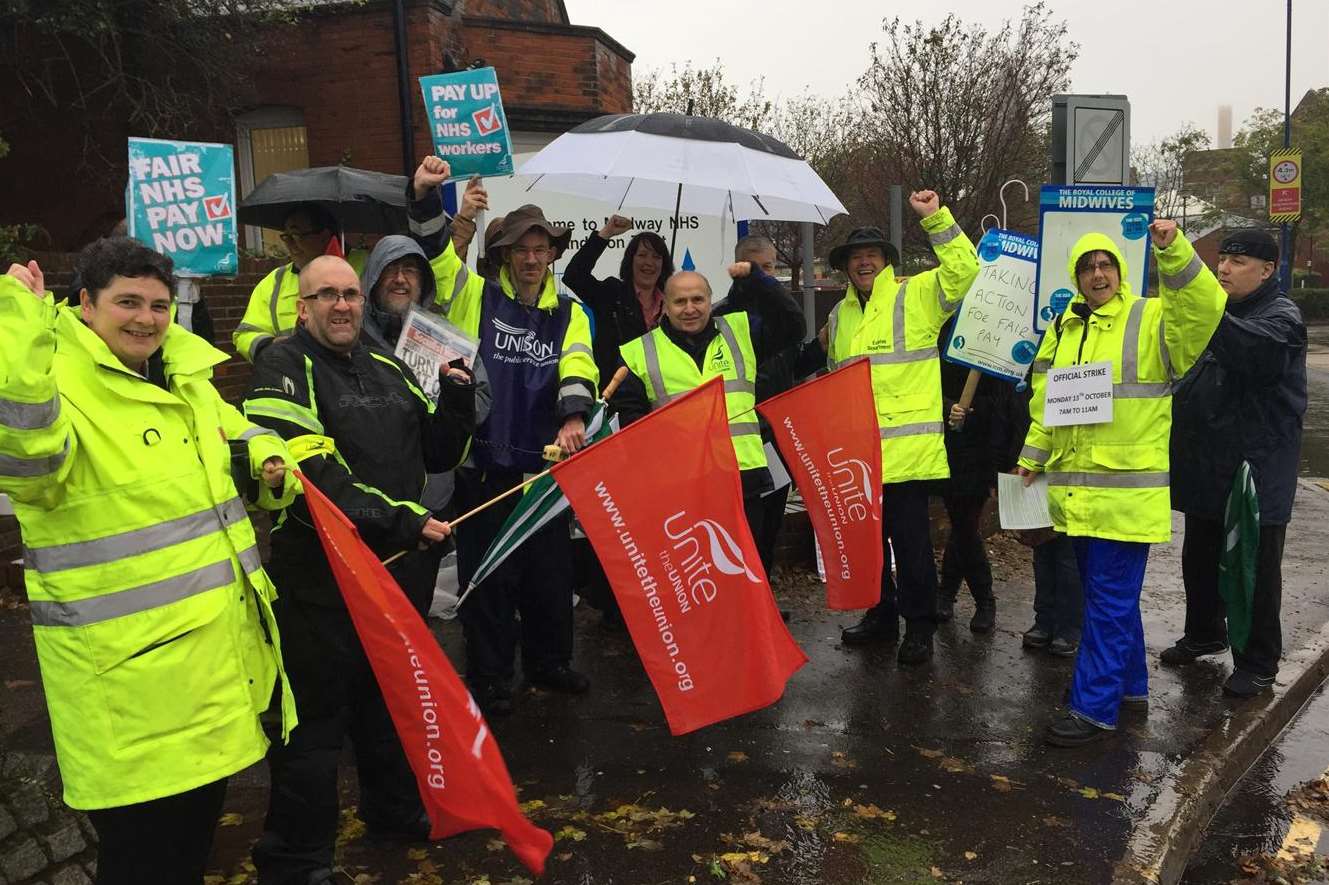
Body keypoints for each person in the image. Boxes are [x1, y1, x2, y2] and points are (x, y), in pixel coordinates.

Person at [0, 239, 298, 885]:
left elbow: (242, 436)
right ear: (84, 304)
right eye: (126, 302)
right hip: (125, 693)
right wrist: (17, 326)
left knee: (188, 855)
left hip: (207, 678)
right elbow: (25, 467)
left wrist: (273, 464)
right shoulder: (53, 383)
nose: (145, 318)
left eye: (158, 304)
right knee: (140, 864)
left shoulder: (182, 376)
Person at [241, 255, 476, 884]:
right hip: (322, 579)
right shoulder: (281, 364)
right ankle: (295, 860)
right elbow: (314, 475)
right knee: (314, 729)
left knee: (387, 704)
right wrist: (404, 519)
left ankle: (393, 810)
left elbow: (438, 449)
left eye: (349, 294)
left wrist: (455, 397)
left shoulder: (386, 361)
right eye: (326, 296)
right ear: (301, 306)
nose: (342, 306)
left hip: (395, 573)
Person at [1016, 219, 1225, 746]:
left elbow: (1203, 308)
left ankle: (1093, 709)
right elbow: (1046, 405)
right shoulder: (1063, 328)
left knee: (1107, 604)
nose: (1097, 273)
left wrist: (1174, 251)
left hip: (1126, 498)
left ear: (1120, 270)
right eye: (1087, 266)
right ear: (1076, 276)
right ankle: (1130, 686)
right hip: (1077, 496)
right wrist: (1031, 458)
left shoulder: (1152, 318)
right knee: (1107, 600)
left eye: (1106, 263)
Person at [424, 202, 600, 716]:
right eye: (522, 248)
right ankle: (490, 675)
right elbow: (440, 270)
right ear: (505, 253)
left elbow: (577, 361)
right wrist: (451, 219)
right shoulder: (477, 296)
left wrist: (574, 416)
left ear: (552, 254)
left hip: (544, 469)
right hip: (484, 463)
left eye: (540, 249)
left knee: (550, 576)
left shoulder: (569, 308)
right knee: (490, 577)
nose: (531, 258)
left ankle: (550, 662)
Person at [830, 191, 980, 665]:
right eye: (856, 258)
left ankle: (919, 626)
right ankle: (881, 615)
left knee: (912, 548)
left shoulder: (915, 295)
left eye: (871, 255)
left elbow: (965, 272)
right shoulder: (839, 316)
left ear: (886, 262)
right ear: (847, 268)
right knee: (869, 545)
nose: (864, 263)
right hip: (859, 456)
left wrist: (935, 218)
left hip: (907, 457)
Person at [1161, 228, 1307, 698]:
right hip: (1209, 463)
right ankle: (1205, 633)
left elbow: (1251, 354)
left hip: (1256, 469)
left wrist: (1201, 309)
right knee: (1199, 557)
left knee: (1251, 568)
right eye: (1222, 259)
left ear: (1267, 271)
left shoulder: (1281, 317)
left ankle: (1259, 660)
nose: (1223, 268)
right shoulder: (1223, 310)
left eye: (1238, 262)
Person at [612, 265, 803, 573]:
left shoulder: (741, 332)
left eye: (698, 299)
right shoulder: (639, 353)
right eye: (680, 301)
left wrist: (758, 278)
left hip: (743, 479)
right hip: (681, 486)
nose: (690, 308)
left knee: (746, 575)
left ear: (711, 300)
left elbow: (794, 326)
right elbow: (632, 427)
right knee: (699, 581)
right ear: (665, 304)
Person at [234, 157, 484, 363]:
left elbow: (435, 268)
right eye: (286, 235)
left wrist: (452, 213)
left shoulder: (370, 266)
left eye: (298, 234)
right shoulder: (273, 282)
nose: (289, 242)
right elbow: (245, 334)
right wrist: (274, 348)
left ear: (325, 234)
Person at [715, 235, 808, 573]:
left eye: (768, 268)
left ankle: (765, 597)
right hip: (740, 437)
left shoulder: (782, 316)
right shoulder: (722, 315)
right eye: (754, 269)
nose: (762, 276)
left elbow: (796, 338)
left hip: (776, 431)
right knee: (741, 526)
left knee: (771, 521)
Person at [935, 317, 1016, 633]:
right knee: (960, 522)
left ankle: (983, 599)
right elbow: (927, 382)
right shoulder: (942, 327)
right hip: (946, 443)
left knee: (965, 524)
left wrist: (974, 410)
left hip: (982, 446)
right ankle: (948, 593)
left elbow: (1006, 395)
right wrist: (948, 407)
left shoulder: (998, 329)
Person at [562, 213, 675, 384]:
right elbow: (574, 276)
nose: (649, 263)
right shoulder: (611, 294)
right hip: (617, 394)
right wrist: (606, 233)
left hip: (663, 393)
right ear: (630, 260)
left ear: (664, 264)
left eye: (657, 257)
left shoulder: (675, 304)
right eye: (642, 255)